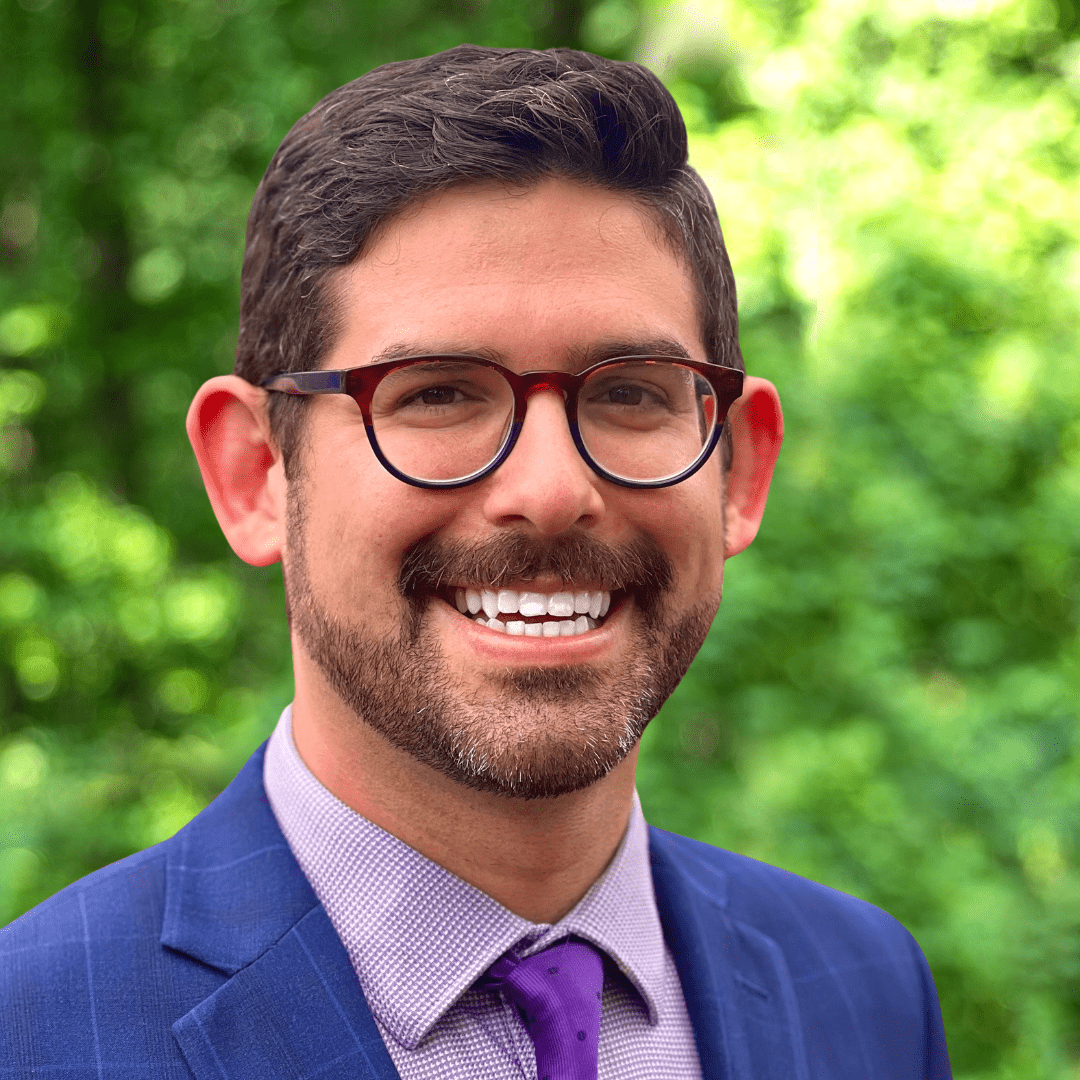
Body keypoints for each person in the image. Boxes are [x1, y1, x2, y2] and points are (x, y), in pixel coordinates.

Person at [0, 45, 950, 1079]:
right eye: (438, 392)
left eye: (630, 391)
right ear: (255, 474)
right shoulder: (34, 1033)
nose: (550, 489)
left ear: (739, 469)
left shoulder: (865, 994)